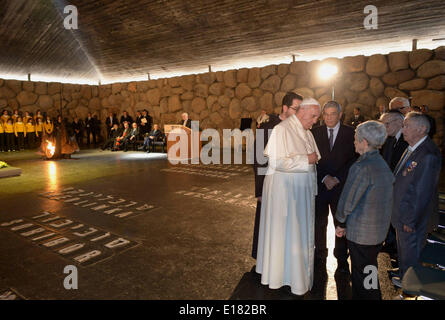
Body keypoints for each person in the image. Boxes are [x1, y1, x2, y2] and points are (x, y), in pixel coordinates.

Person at [256, 98, 321, 295]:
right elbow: (276, 162)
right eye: (313, 116)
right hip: (285, 195)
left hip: (301, 195)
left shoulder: (307, 132)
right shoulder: (282, 129)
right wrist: (306, 159)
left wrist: (313, 189)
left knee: (296, 236)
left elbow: (314, 163)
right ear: (301, 113)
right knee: (285, 236)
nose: (315, 121)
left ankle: (296, 277)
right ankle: (280, 276)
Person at [335, 121, 394, 300]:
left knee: (362, 278)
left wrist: (340, 222)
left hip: (362, 233)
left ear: (365, 142)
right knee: (369, 271)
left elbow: (348, 200)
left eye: (356, 139)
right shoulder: (380, 163)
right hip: (377, 231)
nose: (354, 142)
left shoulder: (362, 167)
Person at [390, 112, 442, 288]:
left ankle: (410, 287)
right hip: (403, 213)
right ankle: (404, 276)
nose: (403, 129)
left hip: (412, 218)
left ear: (421, 129)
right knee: (405, 251)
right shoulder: (414, 147)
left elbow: (421, 192)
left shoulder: (427, 154)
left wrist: (409, 220)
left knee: (411, 252)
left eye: (407, 126)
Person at [251, 91, 304, 259]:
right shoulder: (268, 126)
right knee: (267, 224)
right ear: (285, 108)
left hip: (290, 187)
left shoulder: (298, 128)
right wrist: (259, 190)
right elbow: (258, 158)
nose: (299, 113)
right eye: (296, 108)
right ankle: (265, 260)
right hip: (270, 185)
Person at [311, 101, 357, 275]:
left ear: (340, 114)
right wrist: (324, 177)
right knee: (319, 222)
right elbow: (312, 159)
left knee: (341, 224)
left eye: (332, 114)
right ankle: (320, 255)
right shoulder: (314, 133)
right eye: (326, 114)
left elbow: (354, 160)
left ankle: (342, 259)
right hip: (320, 186)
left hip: (341, 188)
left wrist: (337, 178)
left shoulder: (351, 133)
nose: (329, 118)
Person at [379, 111, 408, 261]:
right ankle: (390, 243)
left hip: (400, 189)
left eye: (387, 123)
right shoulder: (389, 140)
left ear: (399, 122)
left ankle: (396, 248)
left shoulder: (407, 141)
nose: (384, 127)